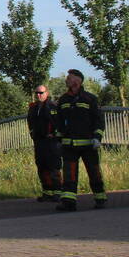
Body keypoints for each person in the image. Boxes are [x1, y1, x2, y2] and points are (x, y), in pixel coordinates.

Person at [52, 69, 107, 212]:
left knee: (94, 171)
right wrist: (58, 138)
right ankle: (69, 202)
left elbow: (99, 120)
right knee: (69, 174)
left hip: (88, 144)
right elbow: (58, 121)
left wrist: (97, 137)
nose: (66, 80)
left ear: (77, 81)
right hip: (69, 145)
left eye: (69, 78)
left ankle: (100, 198)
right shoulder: (63, 100)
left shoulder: (90, 99)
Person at [26, 85, 61, 201]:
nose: (38, 95)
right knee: (41, 166)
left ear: (47, 93)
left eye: (41, 93)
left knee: (53, 167)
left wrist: (55, 134)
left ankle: (57, 193)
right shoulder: (33, 108)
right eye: (36, 93)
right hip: (39, 141)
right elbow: (30, 122)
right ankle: (47, 192)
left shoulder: (53, 106)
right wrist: (32, 134)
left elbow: (61, 122)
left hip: (51, 142)